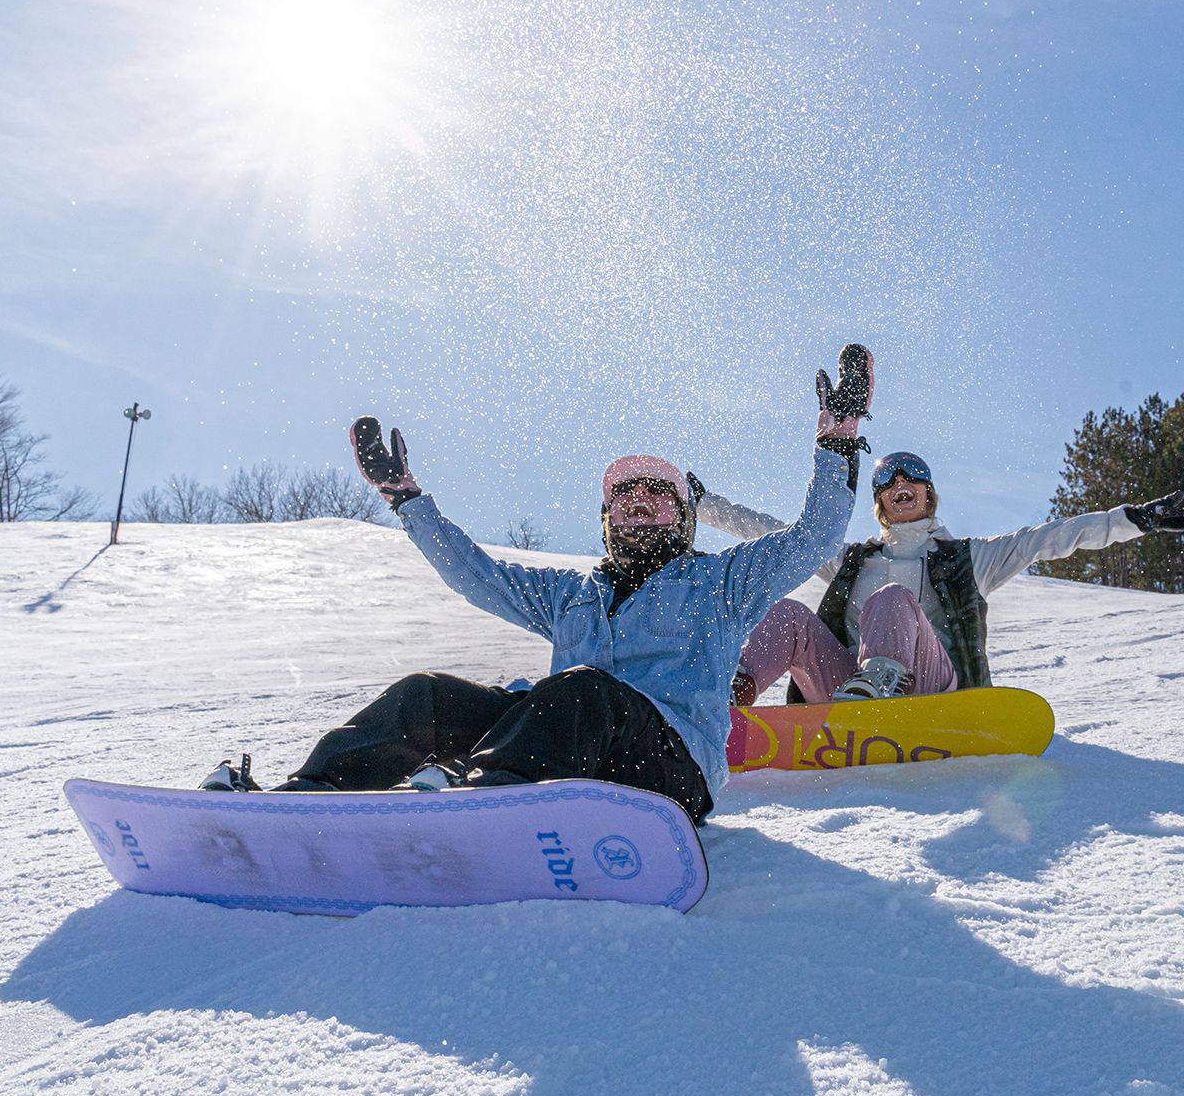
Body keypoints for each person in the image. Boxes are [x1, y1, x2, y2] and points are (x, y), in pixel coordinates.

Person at [198, 351, 873, 824]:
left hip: (668, 776)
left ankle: (482, 803)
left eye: (659, 496)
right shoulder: (570, 596)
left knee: (581, 690)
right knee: (428, 693)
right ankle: (303, 804)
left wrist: (837, 443)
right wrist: (406, 499)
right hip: (566, 762)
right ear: (606, 521)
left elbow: (811, 540)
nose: (641, 504)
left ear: (684, 517)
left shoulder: (720, 582)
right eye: (625, 496)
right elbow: (477, 575)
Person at [693, 450, 1184, 703]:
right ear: (879, 502)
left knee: (893, 600)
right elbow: (775, 534)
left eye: (912, 475)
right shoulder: (850, 560)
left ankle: (883, 687)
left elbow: (1051, 537)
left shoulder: (967, 559)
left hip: (931, 692)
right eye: (887, 480)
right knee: (788, 614)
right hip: (846, 695)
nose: (901, 482)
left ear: (928, 494)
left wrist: (1132, 521)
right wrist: (705, 505)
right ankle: (731, 699)